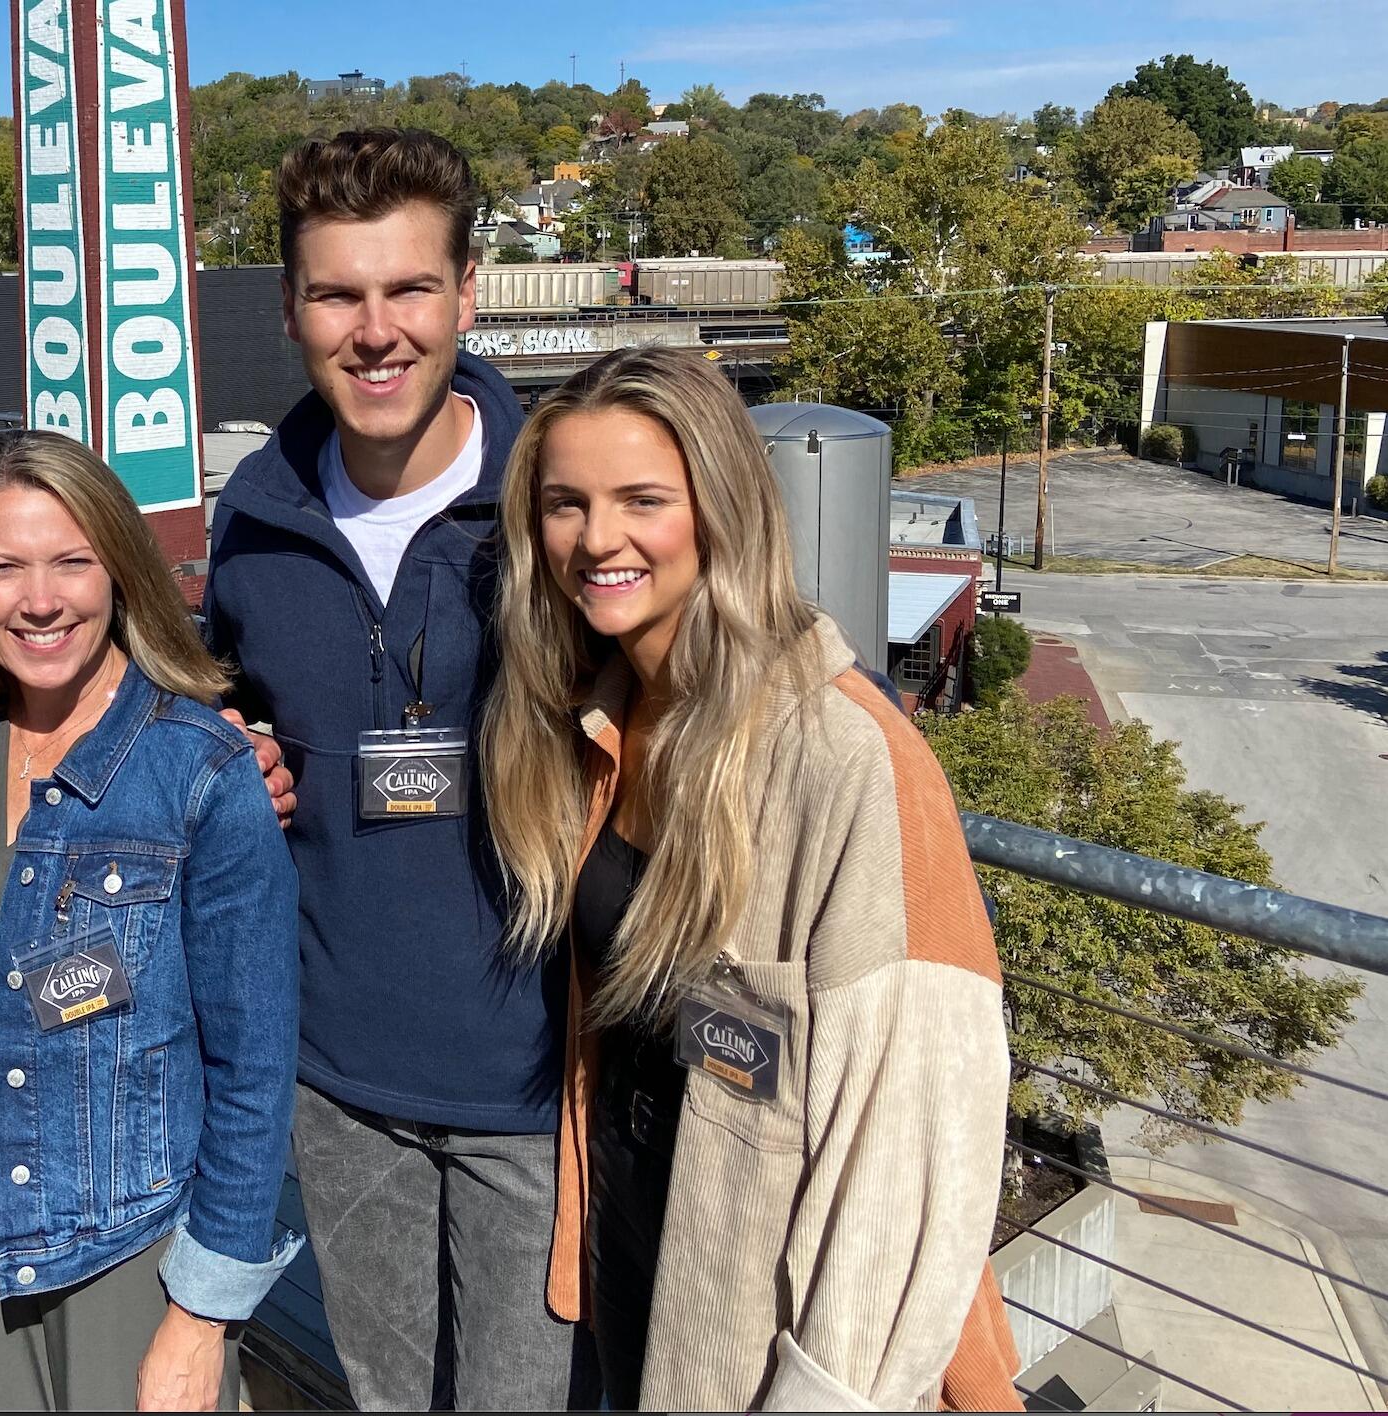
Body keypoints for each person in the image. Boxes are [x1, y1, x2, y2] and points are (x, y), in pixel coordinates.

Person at [480, 344, 1023, 1410]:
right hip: (639, 1265)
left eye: (643, 499)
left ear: (723, 509)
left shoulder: (846, 756)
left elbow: (907, 1140)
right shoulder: (598, 719)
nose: (598, 540)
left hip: (766, 1338)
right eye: (565, 505)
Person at [203, 128, 590, 1410]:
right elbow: (221, 710)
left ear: (467, 293)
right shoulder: (251, 526)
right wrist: (234, 750)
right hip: (343, 1088)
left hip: (540, 1089)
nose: (377, 331)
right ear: (292, 310)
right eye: (338, 294)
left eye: (409, 288)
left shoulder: (561, 504)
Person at [0, 429, 301, 1412]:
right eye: (3, 566)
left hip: (133, 1263)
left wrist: (202, 1321)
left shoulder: (199, 772)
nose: (40, 599)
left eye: (72, 561)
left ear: (120, 571)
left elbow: (254, 1078)